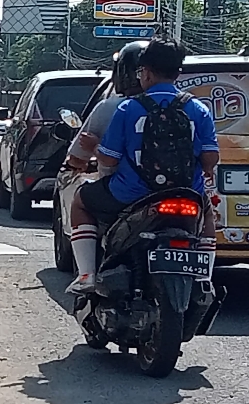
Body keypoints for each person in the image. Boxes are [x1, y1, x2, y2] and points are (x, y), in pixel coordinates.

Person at [67, 37, 219, 294]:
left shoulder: (128, 108)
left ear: (146, 73)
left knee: (80, 201)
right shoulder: (198, 109)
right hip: (186, 193)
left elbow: (109, 160)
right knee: (207, 219)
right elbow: (209, 161)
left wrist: (93, 146)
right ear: (177, 73)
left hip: (131, 194)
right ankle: (204, 280)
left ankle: (87, 275)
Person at [64, 41, 146, 174]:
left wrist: (95, 148)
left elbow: (77, 160)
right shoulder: (180, 104)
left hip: (121, 184)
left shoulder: (111, 107)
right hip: (176, 184)